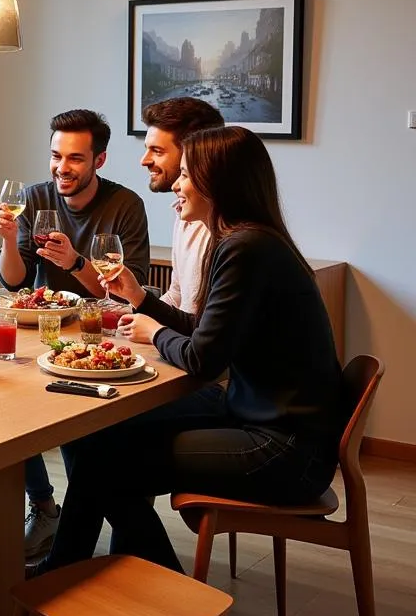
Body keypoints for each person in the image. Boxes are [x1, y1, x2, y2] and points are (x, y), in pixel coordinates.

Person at [38, 126, 346, 580]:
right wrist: (142, 300)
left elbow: (204, 360)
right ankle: (80, 574)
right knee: (99, 440)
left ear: (216, 182)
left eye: (184, 175)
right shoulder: (251, 240)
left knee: (103, 466)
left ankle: (149, 586)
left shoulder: (245, 248)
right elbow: (209, 334)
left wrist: (153, 332)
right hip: (260, 413)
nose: (177, 186)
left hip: (285, 448)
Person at [0, 109, 151, 559]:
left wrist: (76, 264)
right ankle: (46, 509)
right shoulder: (34, 197)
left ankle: (89, 547)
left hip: (101, 339)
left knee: (87, 438)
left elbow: (128, 295)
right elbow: (13, 282)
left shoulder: (125, 206)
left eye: (75, 158)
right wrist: (7, 240)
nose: (62, 167)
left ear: (98, 161)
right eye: (56, 156)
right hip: (40, 333)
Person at [140, 98, 224, 313]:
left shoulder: (228, 231)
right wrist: (132, 311)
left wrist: (154, 330)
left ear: (197, 153)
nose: (144, 160)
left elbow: (203, 331)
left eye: (157, 151)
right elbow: (177, 295)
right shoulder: (182, 210)